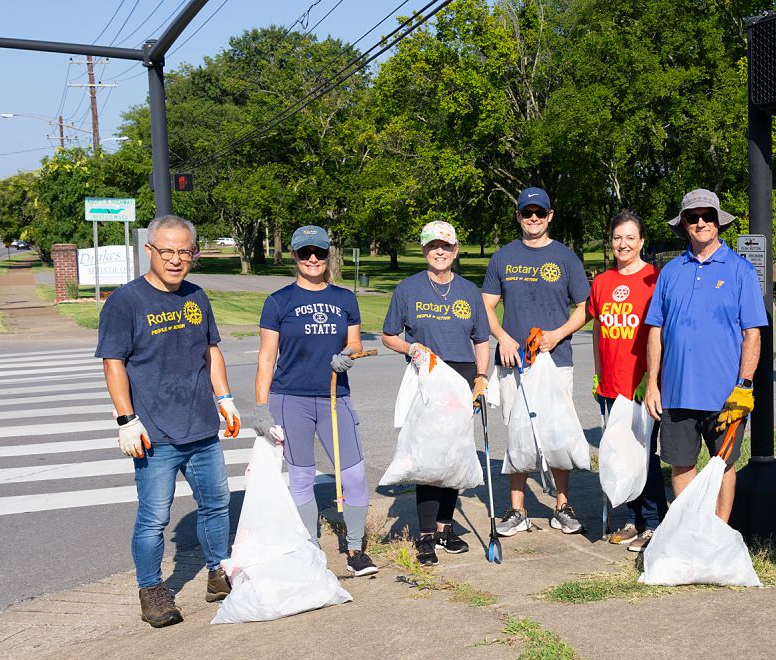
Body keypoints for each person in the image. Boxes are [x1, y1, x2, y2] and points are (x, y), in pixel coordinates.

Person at [96, 214, 241, 628]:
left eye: (184, 252)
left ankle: (218, 574)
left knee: (215, 505)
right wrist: (127, 419)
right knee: (154, 517)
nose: (176, 260)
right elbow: (114, 363)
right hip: (154, 435)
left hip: (201, 427)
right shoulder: (126, 301)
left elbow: (211, 351)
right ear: (150, 251)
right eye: (167, 251)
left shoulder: (197, 296)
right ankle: (152, 591)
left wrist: (225, 399)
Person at [640, 189, 766, 552]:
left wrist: (744, 385)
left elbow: (752, 334)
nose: (701, 223)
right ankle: (688, 535)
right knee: (680, 465)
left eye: (707, 216)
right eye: (693, 217)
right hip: (677, 390)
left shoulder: (740, 270)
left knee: (723, 465)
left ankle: (716, 536)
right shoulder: (670, 273)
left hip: (725, 392)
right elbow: (656, 331)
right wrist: (653, 384)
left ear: (717, 221)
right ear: (683, 224)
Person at [251, 225, 377, 578]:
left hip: (336, 397)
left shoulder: (344, 298)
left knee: (353, 475)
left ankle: (355, 548)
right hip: (291, 398)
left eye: (319, 252)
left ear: (327, 255)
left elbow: (354, 342)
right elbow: (266, 358)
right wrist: (261, 407)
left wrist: (347, 355)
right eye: (305, 252)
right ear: (294, 255)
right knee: (302, 476)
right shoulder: (278, 301)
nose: (312, 259)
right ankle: (309, 548)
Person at [482, 188, 591, 535]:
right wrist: (502, 337)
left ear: (550, 216)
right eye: (526, 213)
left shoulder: (566, 258)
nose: (533, 218)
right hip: (515, 363)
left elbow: (585, 307)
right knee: (519, 434)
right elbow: (485, 307)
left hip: (555, 360)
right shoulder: (502, 258)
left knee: (556, 432)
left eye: (539, 213)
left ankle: (562, 505)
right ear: (518, 216)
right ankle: (517, 510)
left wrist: (557, 335)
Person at [383, 221, 492, 565]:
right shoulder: (408, 288)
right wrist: (411, 347)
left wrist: (482, 377)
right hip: (426, 376)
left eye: (445, 246)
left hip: (461, 378)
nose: (439, 251)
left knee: (454, 455)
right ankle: (426, 535)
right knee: (429, 456)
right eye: (433, 246)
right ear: (424, 250)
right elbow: (389, 335)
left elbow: (482, 340)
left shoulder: (469, 291)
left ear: (455, 250)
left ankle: (446, 528)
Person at [588, 210, 668, 545]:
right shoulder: (602, 282)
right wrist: (597, 373)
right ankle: (634, 519)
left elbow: (662, 333)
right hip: (610, 385)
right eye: (618, 237)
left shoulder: (655, 279)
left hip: (641, 386)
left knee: (644, 454)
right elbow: (597, 329)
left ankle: (654, 521)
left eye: (630, 238)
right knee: (621, 454)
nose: (623, 244)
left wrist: (652, 379)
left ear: (642, 242)